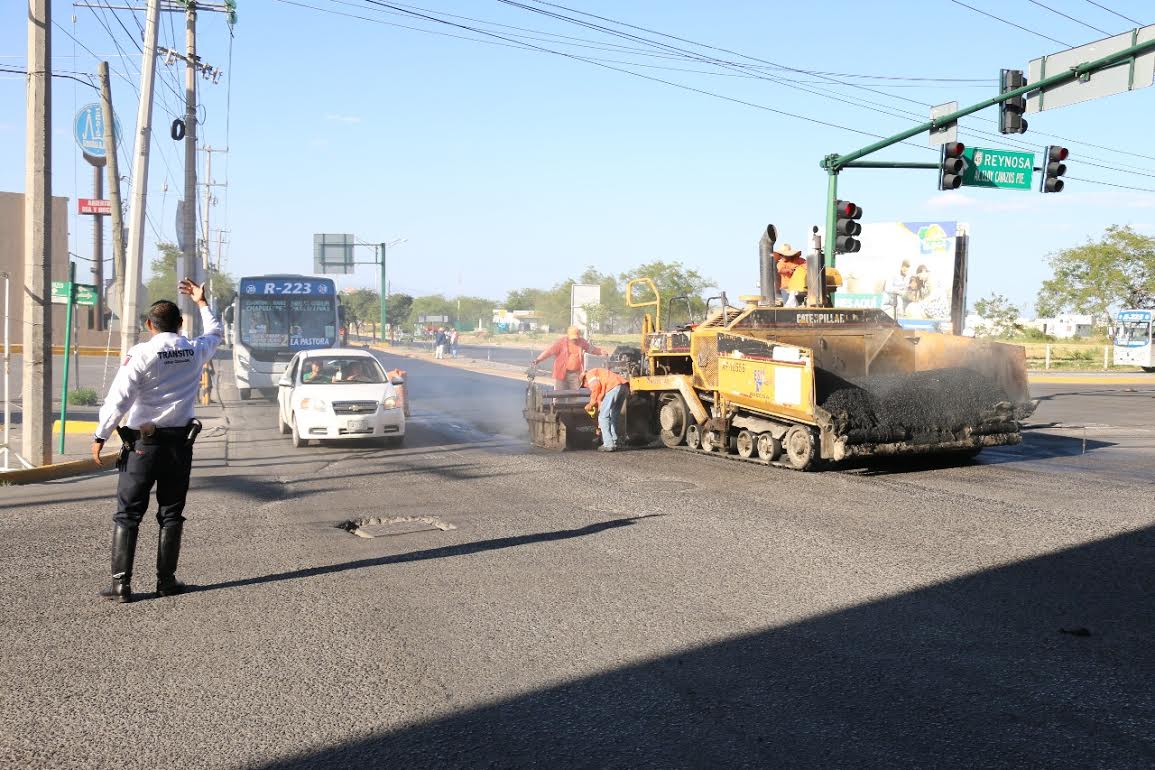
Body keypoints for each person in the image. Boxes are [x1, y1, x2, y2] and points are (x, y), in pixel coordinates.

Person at [91, 278, 222, 604]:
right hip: (179, 446)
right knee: (172, 513)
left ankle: (121, 586)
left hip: (142, 447)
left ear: (149, 325)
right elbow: (215, 333)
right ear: (180, 324)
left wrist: (101, 435)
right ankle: (166, 581)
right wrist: (202, 303)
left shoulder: (142, 353)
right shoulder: (194, 350)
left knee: (128, 514)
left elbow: (119, 399)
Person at [531, 326, 604, 390]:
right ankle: (559, 402)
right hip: (561, 373)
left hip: (576, 374)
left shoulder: (582, 342)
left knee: (575, 395)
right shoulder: (561, 342)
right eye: (572, 338)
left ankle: (573, 402)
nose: (574, 340)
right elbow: (549, 351)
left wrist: (601, 352)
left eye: (576, 338)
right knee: (559, 395)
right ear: (568, 336)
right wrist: (538, 359)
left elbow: (592, 349)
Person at [582, 367, 629, 452]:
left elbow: (596, 387)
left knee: (603, 417)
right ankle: (615, 441)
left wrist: (591, 404)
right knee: (614, 415)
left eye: (583, 386)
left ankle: (608, 444)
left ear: (584, 380)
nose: (586, 387)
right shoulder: (598, 374)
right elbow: (601, 397)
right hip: (623, 387)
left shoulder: (589, 374)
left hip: (613, 388)